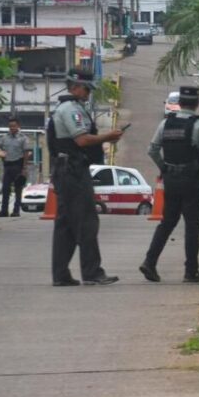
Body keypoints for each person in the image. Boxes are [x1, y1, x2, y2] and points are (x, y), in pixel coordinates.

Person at [48, 70, 123, 287]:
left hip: (65, 169)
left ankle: (61, 274)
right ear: (75, 87)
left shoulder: (66, 108)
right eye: (86, 88)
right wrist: (108, 137)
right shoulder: (71, 109)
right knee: (87, 221)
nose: (89, 92)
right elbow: (81, 140)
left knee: (66, 225)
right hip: (72, 170)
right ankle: (92, 272)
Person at [139, 86, 199, 283]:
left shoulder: (165, 124)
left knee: (167, 223)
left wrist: (165, 168)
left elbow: (152, 150)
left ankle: (150, 262)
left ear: (179, 103)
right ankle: (191, 271)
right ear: (197, 104)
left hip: (171, 182)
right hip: (192, 182)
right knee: (192, 226)